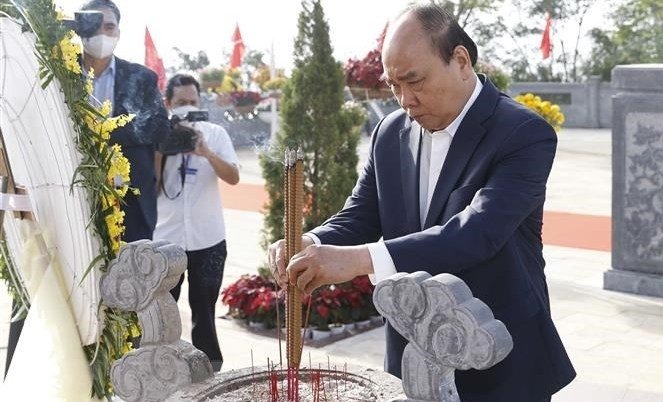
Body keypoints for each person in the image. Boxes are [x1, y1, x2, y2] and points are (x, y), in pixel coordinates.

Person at [269, 4, 575, 401]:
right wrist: (312, 241)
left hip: (500, 351)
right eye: (393, 85)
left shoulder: (522, 132)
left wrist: (358, 260)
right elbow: (363, 212)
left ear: (460, 61)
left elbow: (476, 233)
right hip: (412, 351)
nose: (404, 100)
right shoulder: (390, 131)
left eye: (414, 81)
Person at [154, 74, 240, 371]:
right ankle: (163, 370)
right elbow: (150, 189)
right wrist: (160, 151)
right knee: (162, 313)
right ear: (168, 103)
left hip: (208, 239)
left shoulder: (214, 134)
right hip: (166, 240)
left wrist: (205, 152)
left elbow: (233, 177)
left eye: (192, 102)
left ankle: (208, 372)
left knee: (204, 312)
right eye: (180, 103)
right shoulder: (158, 133)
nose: (187, 108)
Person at [81, 0, 169, 242]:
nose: (102, 33)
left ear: (118, 32)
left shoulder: (140, 77)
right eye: (93, 25)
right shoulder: (61, 74)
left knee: (132, 272)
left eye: (109, 27)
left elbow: (159, 126)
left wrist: (104, 131)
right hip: (74, 194)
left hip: (130, 199)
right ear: (79, 28)